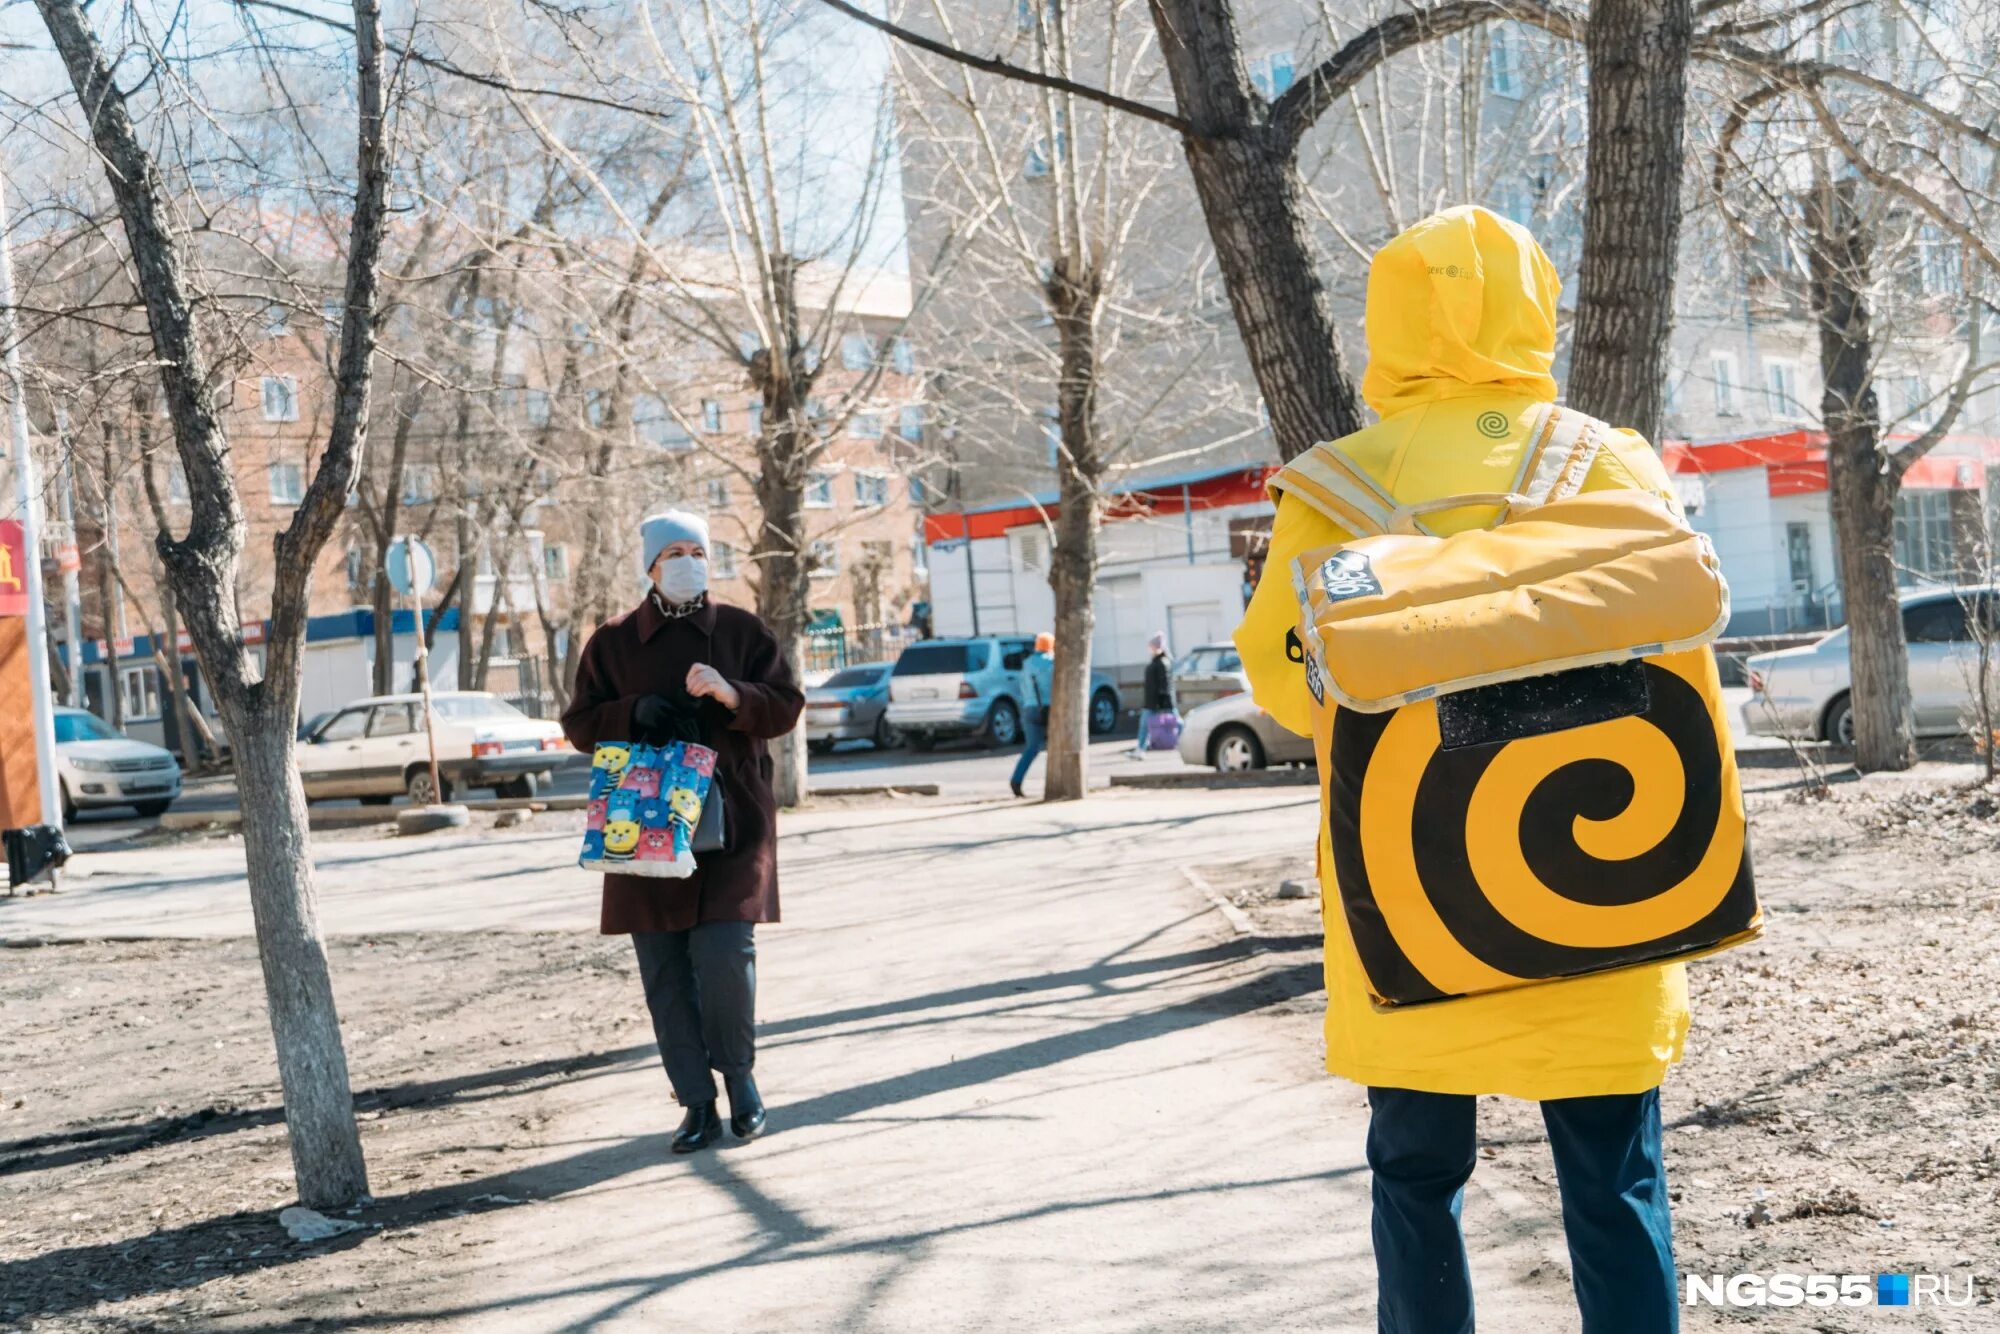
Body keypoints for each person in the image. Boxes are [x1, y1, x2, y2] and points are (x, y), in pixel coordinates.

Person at [1236, 207, 1686, 1333]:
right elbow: (1679, 648)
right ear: (1533, 305)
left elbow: (1285, 684)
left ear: (1386, 318)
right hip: (1600, 883)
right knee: (1613, 1180)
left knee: (1415, 1178)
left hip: (1419, 891)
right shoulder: (1607, 459)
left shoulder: (1331, 488)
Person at [561, 510, 804, 1154]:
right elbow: (580, 725)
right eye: (673, 551)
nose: (687, 560)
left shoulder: (741, 630)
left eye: (697, 549)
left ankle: (742, 1081)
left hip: (733, 825)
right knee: (666, 972)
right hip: (639, 828)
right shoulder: (612, 642)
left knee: (726, 959)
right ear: (650, 565)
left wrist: (733, 695)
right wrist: (632, 711)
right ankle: (696, 1101)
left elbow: (785, 705)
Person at [1009, 632, 1054, 797]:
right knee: (1056, 747)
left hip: (1029, 708)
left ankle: (1016, 780)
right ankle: (1056, 781)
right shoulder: (1053, 662)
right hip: (1050, 709)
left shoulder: (1026, 663)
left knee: (1031, 748)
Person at [1130, 633, 1176, 756]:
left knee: (1177, 722)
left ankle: (1140, 749)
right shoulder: (1158, 661)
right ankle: (1140, 749)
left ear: (1156, 647)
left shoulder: (1162, 662)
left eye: (1151, 646)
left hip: (1156, 702)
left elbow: (1164, 685)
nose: (1149, 649)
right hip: (1152, 701)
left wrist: (1163, 703)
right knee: (1145, 725)